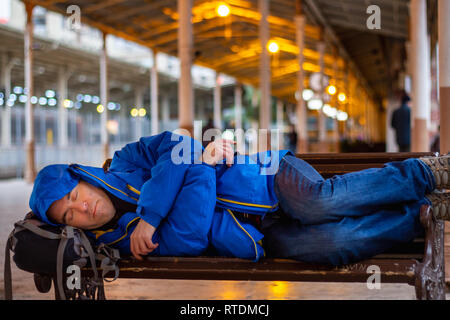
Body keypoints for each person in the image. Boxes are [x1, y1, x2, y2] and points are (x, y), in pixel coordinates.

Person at [28, 131, 450, 266]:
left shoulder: (124, 162)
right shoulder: (122, 242)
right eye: (69, 214)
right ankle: (422, 215)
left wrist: (154, 214)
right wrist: (201, 169)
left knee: (316, 203)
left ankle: (426, 172)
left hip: (266, 178)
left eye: (73, 195)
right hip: (256, 235)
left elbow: (179, 143)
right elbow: (190, 238)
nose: (81, 208)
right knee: (330, 245)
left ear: (80, 177)